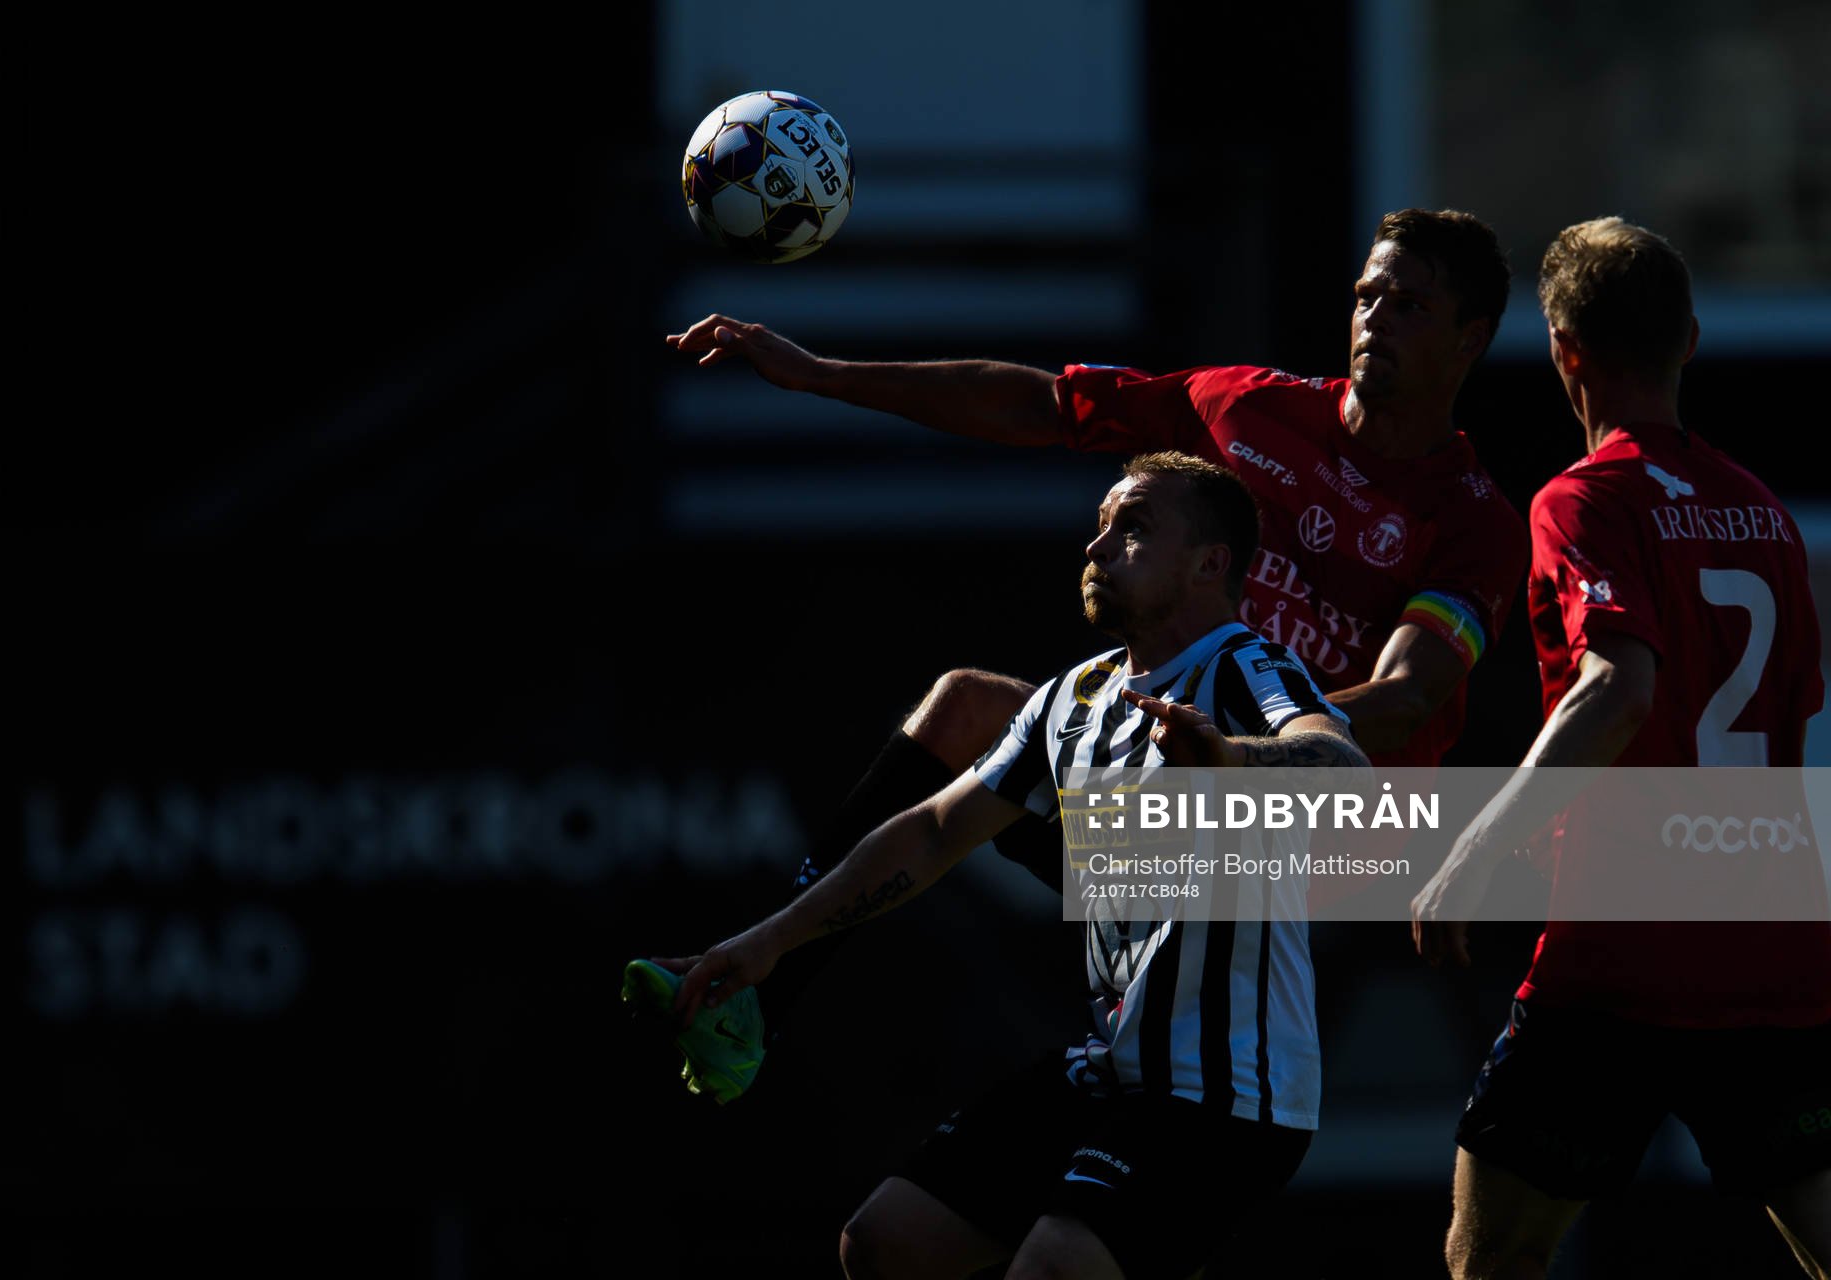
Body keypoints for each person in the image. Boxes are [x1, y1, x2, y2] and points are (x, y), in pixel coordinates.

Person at [649, 208, 1528, 1096]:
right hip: (1167, 798)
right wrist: (824, 375)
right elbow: (1041, 403)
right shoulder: (1250, 407)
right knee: (962, 712)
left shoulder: (1474, 522)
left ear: (1471, 339)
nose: (1376, 317)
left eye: (1410, 305)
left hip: (1321, 848)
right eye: (1368, 295)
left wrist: (1237, 753)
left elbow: (1408, 694)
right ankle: (758, 994)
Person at [650, 452, 1370, 1280]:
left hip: (1227, 1092)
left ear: (1211, 565)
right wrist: (771, 941)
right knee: (885, 1245)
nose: (1097, 548)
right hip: (1114, 1071)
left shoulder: (1244, 668)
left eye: (1132, 529)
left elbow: (1341, 767)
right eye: (1099, 528)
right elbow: (930, 833)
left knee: (1055, 1269)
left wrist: (1231, 763)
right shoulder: (1071, 699)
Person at [1410, 217, 1831, 1279]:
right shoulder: (1766, 515)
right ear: (1689, 338)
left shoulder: (1582, 501)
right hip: (1771, 947)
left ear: (1562, 349)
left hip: (1623, 959)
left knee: (1489, 1255)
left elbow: (1617, 687)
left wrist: (1474, 852)